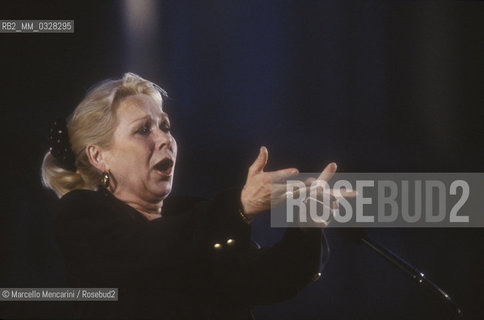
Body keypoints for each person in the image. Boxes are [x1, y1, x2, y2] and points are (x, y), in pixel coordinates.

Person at [41, 73, 339, 319]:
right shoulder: (79, 214)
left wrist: (306, 227)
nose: (164, 139)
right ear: (98, 156)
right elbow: (147, 252)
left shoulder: (195, 216)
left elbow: (268, 281)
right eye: (143, 130)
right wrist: (239, 206)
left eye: (165, 126)